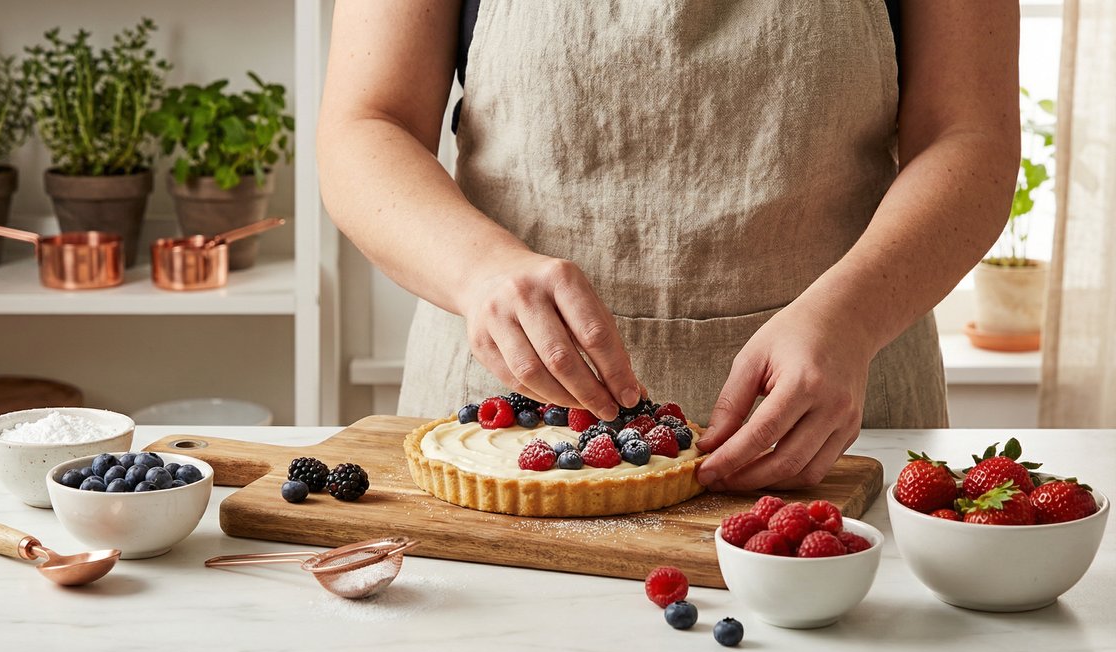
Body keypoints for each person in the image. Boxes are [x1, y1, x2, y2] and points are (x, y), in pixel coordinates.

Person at [317, 1, 1019, 490]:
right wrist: (479, 270)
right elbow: (364, 126)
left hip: (836, 424)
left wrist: (855, 316)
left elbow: (971, 135)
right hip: (504, 428)